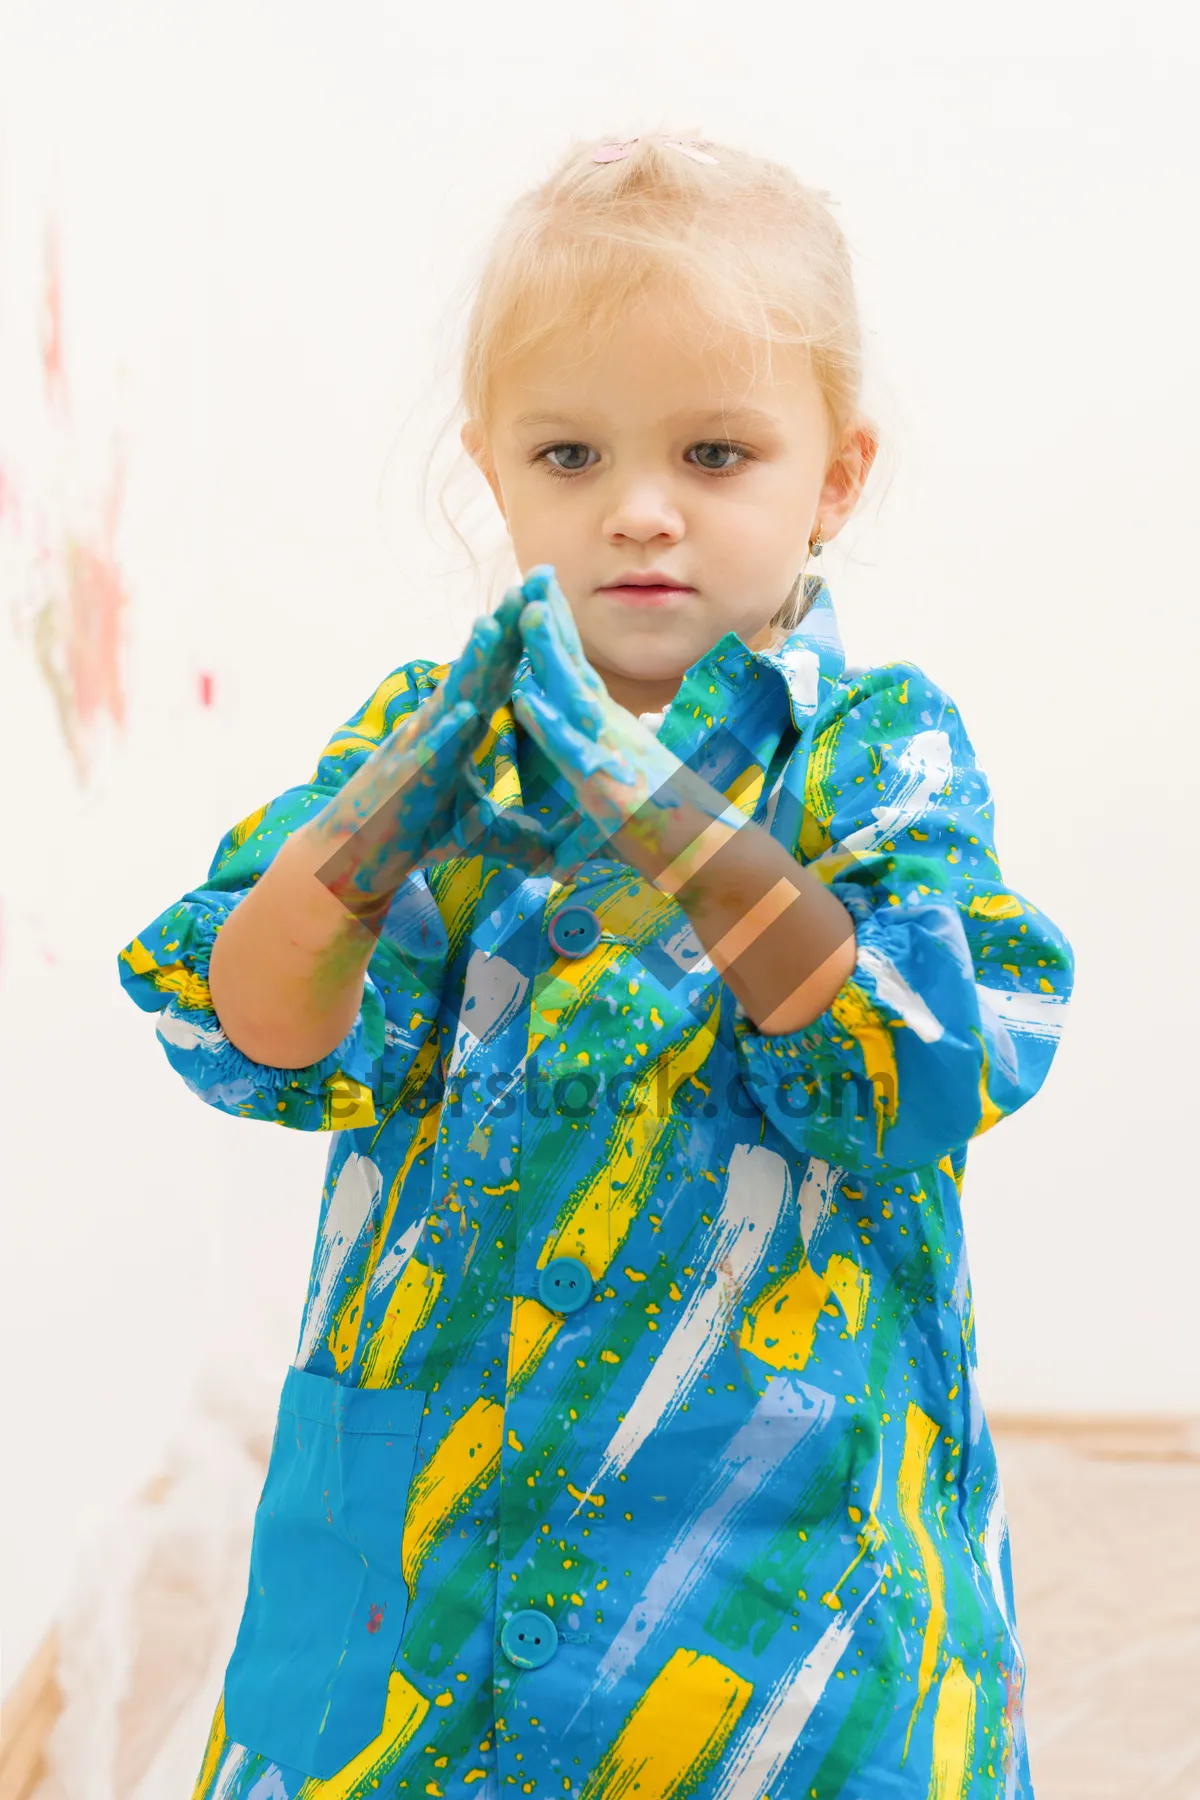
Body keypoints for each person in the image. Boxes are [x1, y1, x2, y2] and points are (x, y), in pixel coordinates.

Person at [118, 132, 1074, 1800]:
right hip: (423, 1578)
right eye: (572, 453)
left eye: (715, 452)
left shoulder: (876, 751)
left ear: (833, 479)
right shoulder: (424, 756)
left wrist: (673, 823)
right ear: (494, 472)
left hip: (770, 1608)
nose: (640, 509)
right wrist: (376, 828)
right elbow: (258, 1027)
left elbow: (917, 1064)